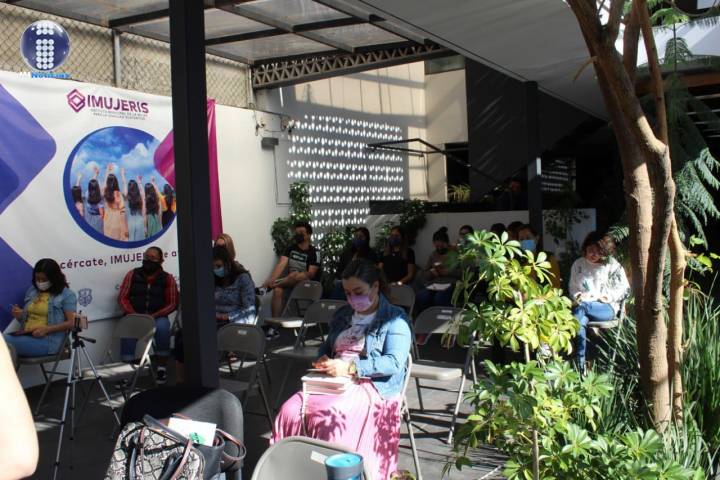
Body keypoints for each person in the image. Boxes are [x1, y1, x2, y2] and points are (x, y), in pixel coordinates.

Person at [272, 259, 412, 478]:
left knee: (327, 418)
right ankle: (295, 472)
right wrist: (322, 359)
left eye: (358, 292)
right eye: (347, 293)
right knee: (288, 411)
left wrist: (351, 368)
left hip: (371, 383)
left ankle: (330, 473)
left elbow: (394, 362)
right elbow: (327, 347)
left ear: (375, 286)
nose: (352, 298)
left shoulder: (395, 318)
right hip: (335, 378)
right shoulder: (342, 314)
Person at [174, 245, 257, 383]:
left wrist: (227, 316)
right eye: (212, 267)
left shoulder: (242, 279)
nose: (216, 270)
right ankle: (181, 381)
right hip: (213, 319)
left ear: (228, 263)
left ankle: (203, 380)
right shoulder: (212, 279)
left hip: (232, 323)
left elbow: (249, 311)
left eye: (218, 266)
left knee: (198, 338)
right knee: (181, 335)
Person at [118, 246, 178, 384]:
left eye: (153, 258)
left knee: (162, 328)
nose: (148, 260)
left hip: (157, 316)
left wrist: (155, 315)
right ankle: (127, 371)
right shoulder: (132, 274)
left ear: (160, 261)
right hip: (135, 315)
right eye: (146, 257)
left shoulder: (168, 278)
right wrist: (132, 314)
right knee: (127, 328)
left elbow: (172, 303)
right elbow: (122, 298)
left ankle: (161, 368)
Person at [569, 232, 629, 369]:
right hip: (583, 306)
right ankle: (582, 366)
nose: (593, 254)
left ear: (604, 252)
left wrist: (609, 296)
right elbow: (572, 287)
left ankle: (572, 348)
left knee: (579, 311)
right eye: (591, 250)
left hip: (605, 308)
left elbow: (624, 288)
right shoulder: (578, 264)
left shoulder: (612, 265)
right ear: (585, 248)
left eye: (598, 252)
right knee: (580, 321)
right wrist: (578, 296)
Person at [4, 259, 77, 357]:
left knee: (2, 342)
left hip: (48, 341)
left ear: (54, 278)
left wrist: (46, 329)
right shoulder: (32, 291)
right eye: (37, 278)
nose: (40, 282)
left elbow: (72, 323)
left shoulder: (67, 295)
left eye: (44, 279)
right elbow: (29, 319)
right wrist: (20, 315)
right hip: (25, 335)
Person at [262, 221, 320, 321]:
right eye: (296, 233)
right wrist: (271, 279)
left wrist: (297, 275)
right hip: (289, 282)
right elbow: (281, 264)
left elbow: (311, 273)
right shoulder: (290, 249)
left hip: (307, 284)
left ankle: (269, 287)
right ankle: (275, 324)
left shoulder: (315, 252)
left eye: (301, 233)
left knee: (294, 274)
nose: (298, 235)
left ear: (309, 235)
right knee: (278, 290)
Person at [0, 336, 39, 479]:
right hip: (30, 334)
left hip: (48, 339)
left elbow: (20, 461)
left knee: (8, 344)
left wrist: (46, 330)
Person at [415, 227, 462, 316]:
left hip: (451, 284)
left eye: (442, 246)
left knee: (439, 298)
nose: (439, 249)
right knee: (422, 296)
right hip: (436, 284)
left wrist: (448, 272)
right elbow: (425, 274)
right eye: (437, 247)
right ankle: (426, 318)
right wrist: (432, 273)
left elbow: (463, 272)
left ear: (447, 243)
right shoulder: (433, 255)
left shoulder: (456, 253)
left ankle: (443, 319)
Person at [331, 227, 379, 299]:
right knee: (338, 287)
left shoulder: (371, 254)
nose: (358, 238)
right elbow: (340, 269)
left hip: (361, 284)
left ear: (366, 239)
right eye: (356, 236)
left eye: (361, 236)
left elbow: (372, 273)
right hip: (345, 283)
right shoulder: (346, 253)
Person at [517, 224, 562, 288]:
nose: (525, 241)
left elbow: (556, 285)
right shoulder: (517, 262)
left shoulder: (548, 258)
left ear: (537, 238)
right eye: (521, 239)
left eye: (528, 238)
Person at [103, 164, 129, 241]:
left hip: (107, 221)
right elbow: (122, 212)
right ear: (116, 182)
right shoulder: (118, 194)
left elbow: (104, 184)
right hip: (117, 221)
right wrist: (123, 175)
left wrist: (107, 171)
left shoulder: (105, 193)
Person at [124, 171, 146, 242]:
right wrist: (139, 182)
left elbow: (125, 215)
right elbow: (144, 213)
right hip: (140, 222)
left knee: (132, 244)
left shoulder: (127, 197)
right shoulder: (140, 197)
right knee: (140, 244)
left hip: (130, 223)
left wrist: (123, 175)